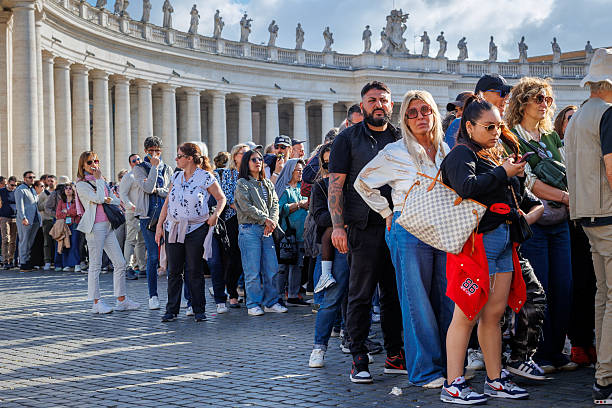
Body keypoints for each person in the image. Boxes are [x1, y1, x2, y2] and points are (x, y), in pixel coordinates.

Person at [355, 90, 453, 388]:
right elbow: (363, 183)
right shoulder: (395, 152)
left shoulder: (445, 148)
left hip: (441, 229)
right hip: (408, 229)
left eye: (425, 110)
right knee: (416, 301)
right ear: (405, 119)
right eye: (412, 112)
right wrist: (386, 212)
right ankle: (424, 370)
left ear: (435, 113)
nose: (420, 116)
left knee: (445, 298)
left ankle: (449, 363)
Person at [440, 95, 532, 404]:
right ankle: (453, 383)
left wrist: (511, 172)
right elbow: (466, 187)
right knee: (466, 313)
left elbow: (502, 191)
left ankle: (495, 379)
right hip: (477, 244)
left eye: (499, 126)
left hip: (501, 240)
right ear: (469, 126)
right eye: (489, 126)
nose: (496, 132)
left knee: (494, 314)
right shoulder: (460, 154)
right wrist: (503, 173)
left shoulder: (489, 153)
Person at [328, 81, 404, 384]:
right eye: (372, 100)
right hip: (362, 227)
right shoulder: (346, 139)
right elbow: (336, 184)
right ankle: (358, 356)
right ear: (362, 105)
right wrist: (337, 226)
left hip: (398, 225)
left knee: (394, 294)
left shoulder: (400, 137)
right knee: (360, 294)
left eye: (383, 100)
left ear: (391, 105)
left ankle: (395, 353)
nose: (378, 105)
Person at [506, 77, 577, 373]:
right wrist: (566, 197)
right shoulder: (512, 138)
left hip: (559, 222)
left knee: (564, 286)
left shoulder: (550, 136)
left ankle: (555, 350)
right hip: (535, 223)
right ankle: (534, 354)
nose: (544, 103)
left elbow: (568, 168)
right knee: (541, 288)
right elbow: (530, 183)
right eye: (538, 98)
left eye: (547, 98)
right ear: (522, 102)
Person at [564, 47, 612, 405]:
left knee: (603, 294)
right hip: (609, 214)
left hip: (584, 215)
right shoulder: (608, 115)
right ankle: (607, 378)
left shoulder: (578, 116)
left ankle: (602, 369)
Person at [155, 142, 226, 323]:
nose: (176, 159)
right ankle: (171, 310)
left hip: (196, 228)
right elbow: (167, 203)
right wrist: (159, 225)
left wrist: (215, 215)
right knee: (174, 271)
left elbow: (221, 198)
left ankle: (198, 309)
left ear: (189, 158)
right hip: (174, 228)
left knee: (194, 269)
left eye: (179, 156)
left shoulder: (205, 177)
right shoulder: (176, 177)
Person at [75, 151, 139, 314]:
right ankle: (96, 302)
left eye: (96, 161)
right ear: (83, 165)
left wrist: (104, 194)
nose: (94, 164)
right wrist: (100, 186)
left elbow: (114, 199)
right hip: (94, 227)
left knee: (120, 263)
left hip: (108, 225)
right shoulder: (81, 184)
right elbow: (98, 198)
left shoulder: (101, 181)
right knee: (95, 265)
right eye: (89, 162)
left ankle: (121, 299)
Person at [309, 143, 350, 368]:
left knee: (358, 298)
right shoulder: (322, 187)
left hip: (360, 243)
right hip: (339, 247)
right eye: (328, 163)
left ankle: (354, 342)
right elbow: (321, 218)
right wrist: (343, 220)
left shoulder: (355, 184)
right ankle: (319, 347)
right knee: (332, 298)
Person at [234, 149, 287, 316]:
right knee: (252, 270)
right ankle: (253, 304)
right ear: (246, 164)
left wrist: (272, 221)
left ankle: (271, 302)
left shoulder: (267, 183)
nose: (258, 162)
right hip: (249, 230)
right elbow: (246, 207)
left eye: (259, 159)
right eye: (253, 159)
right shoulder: (242, 183)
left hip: (267, 230)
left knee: (271, 268)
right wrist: (266, 219)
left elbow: (275, 205)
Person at [133, 136, 172, 310]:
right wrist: (154, 168)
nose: (155, 154)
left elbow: (170, 191)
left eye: (157, 151)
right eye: (151, 151)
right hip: (148, 217)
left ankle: (174, 295)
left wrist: (159, 190)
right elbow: (148, 188)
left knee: (173, 256)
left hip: (167, 215)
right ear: (146, 152)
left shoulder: (168, 168)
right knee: (153, 257)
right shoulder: (139, 168)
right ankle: (153, 295)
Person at [218, 143, 250, 308]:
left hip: (250, 220)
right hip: (233, 219)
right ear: (234, 156)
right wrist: (244, 211)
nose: (245, 156)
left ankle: (248, 292)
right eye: (241, 153)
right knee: (234, 257)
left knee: (249, 257)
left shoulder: (251, 174)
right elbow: (227, 197)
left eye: (247, 153)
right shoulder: (229, 174)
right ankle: (232, 292)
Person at [275, 158, 309, 306]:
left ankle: (293, 295)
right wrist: (299, 205)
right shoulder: (284, 189)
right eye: (298, 170)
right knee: (283, 266)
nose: (300, 173)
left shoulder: (303, 187)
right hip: (287, 235)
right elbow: (280, 210)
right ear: (290, 171)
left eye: (302, 170)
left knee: (298, 265)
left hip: (301, 233)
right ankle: (278, 295)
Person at [119, 153, 146, 280]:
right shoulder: (128, 176)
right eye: (133, 160)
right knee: (131, 240)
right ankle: (127, 267)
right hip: (132, 212)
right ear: (130, 163)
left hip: (144, 212)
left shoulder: (144, 175)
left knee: (141, 240)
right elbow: (122, 194)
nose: (136, 161)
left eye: (138, 159)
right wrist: (130, 206)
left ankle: (142, 267)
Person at [15, 171, 41, 271]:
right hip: (25, 220)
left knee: (30, 242)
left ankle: (28, 261)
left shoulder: (32, 190)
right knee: (24, 241)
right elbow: (19, 206)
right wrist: (23, 218)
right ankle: (23, 263)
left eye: (33, 177)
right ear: (25, 178)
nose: (32, 179)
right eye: (30, 177)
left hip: (35, 219)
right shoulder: (20, 190)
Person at [54, 182, 82, 271]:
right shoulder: (61, 201)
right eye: (66, 188)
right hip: (64, 226)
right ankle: (67, 264)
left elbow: (77, 212)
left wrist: (67, 212)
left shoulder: (77, 201)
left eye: (70, 188)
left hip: (74, 225)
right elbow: (58, 214)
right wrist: (68, 213)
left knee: (74, 244)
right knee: (66, 244)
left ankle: (76, 264)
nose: (68, 190)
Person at [38, 174, 56, 271]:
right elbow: (39, 207)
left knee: (58, 241)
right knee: (47, 242)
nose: (50, 183)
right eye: (48, 181)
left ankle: (57, 261)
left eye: (52, 181)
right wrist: (47, 201)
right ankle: (47, 261)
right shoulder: (43, 194)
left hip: (58, 220)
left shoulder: (59, 192)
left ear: (55, 182)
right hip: (47, 220)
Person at [0, 176, 17, 269]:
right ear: (8, 183)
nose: (13, 187)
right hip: (4, 217)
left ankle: (11, 259)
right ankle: (5, 260)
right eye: (12, 185)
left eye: (15, 185)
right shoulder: (2, 191)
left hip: (15, 217)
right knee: (6, 239)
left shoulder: (17, 192)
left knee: (13, 240)